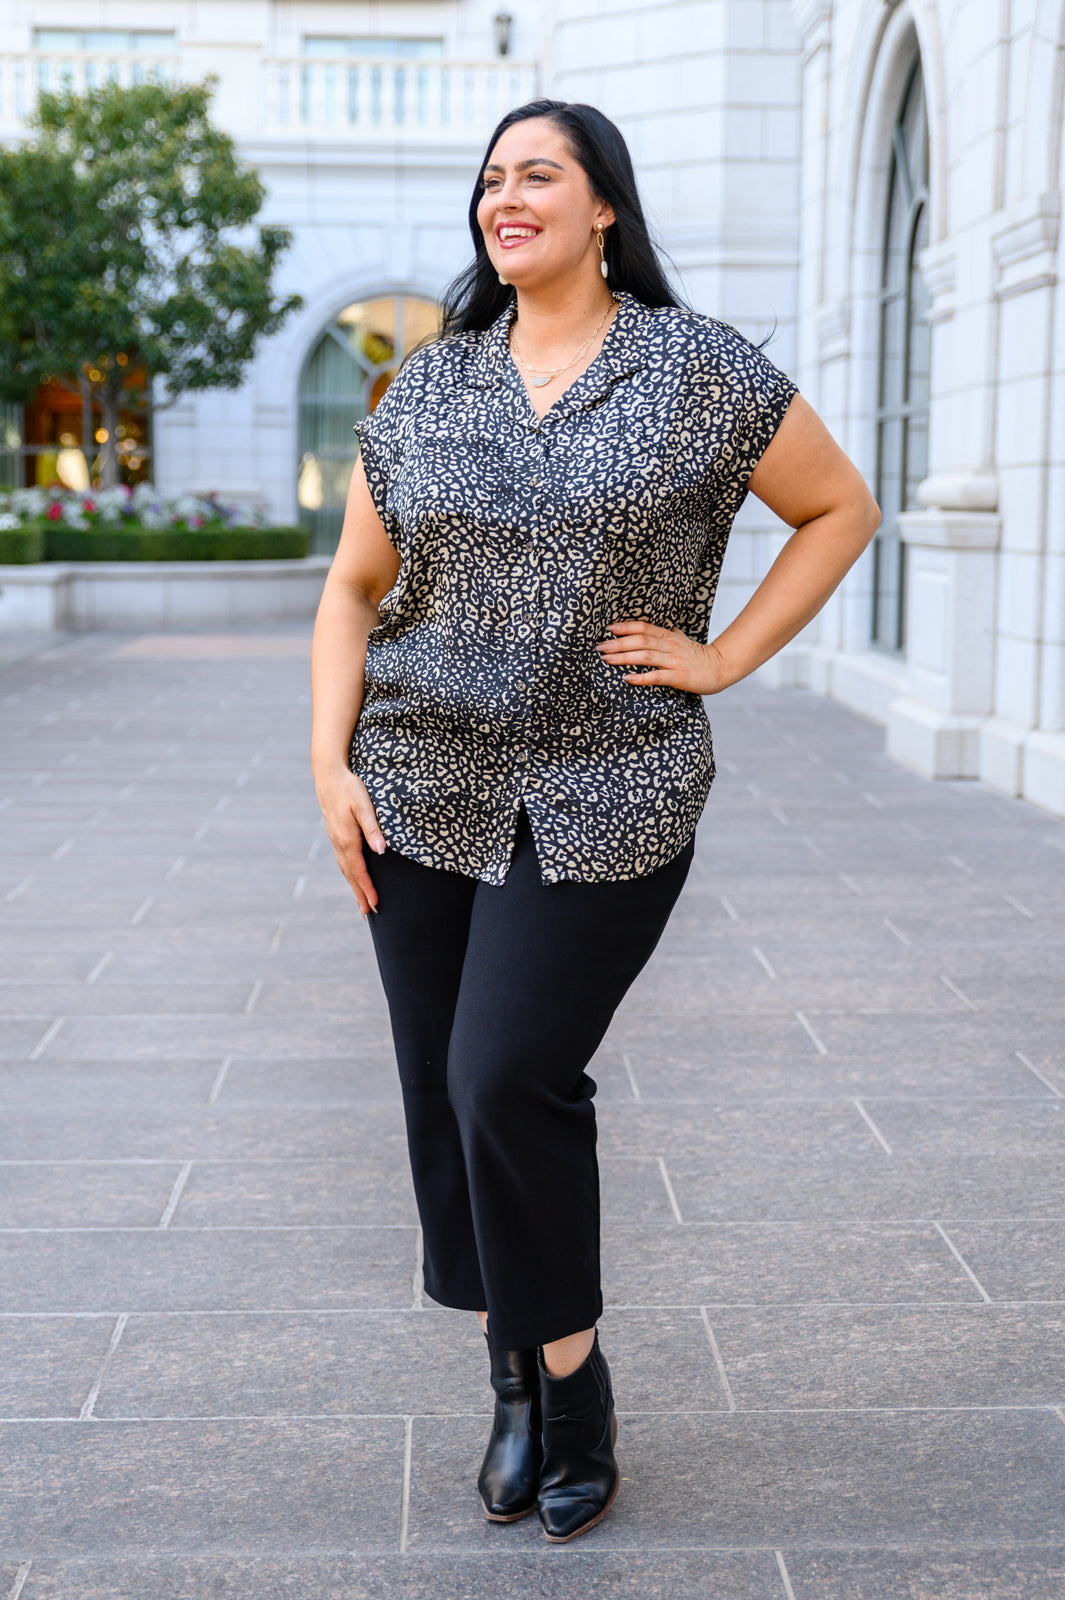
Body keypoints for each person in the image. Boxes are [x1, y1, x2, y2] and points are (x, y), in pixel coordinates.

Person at [311, 98, 880, 1543]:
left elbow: (836, 509)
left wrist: (724, 655)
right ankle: (511, 1371)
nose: (506, 198)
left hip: (607, 785)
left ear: (602, 205)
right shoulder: (429, 386)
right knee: (446, 1097)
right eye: (491, 180)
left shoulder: (691, 368)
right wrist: (328, 766)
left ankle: (569, 1385)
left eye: (537, 175)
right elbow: (350, 589)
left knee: (507, 1076)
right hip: (419, 782)